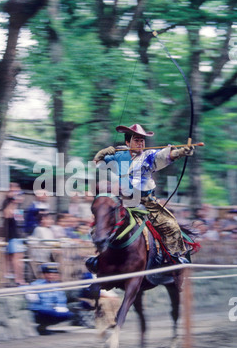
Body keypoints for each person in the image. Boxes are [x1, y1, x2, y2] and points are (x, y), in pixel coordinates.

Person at [93, 123, 194, 264]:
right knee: (100, 221)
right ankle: (98, 258)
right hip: (122, 201)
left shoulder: (148, 156)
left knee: (170, 224)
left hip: (146, 202)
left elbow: (164, 156)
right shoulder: (119, 156)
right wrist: (103, 153)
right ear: (128, 142)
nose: (140, 143)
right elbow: (96, 163)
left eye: (142, 140)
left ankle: (176, 258)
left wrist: (181, 152)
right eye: (136, 140)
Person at [25, 263, 74, 335]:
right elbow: (33, 302)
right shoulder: (35, 285)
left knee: (68, 314)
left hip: (53, 310)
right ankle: (42, 327)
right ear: (44, 274)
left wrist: (59, 308)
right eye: (48, 273)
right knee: (48, 313)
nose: (51, 276)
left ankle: (44, 326)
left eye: (53, 274)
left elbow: (61, 301)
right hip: (39, 310)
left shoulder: (57, 286)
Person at [2, 195, 27, 286]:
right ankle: (18, 279)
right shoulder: (8, 207)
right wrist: (13, 202)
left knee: (20, 259)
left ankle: (20, 279)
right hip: (11, 237)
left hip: (18, 237)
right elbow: (6, 214)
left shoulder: (18, 210)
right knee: (15, 259)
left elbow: (20, 222)